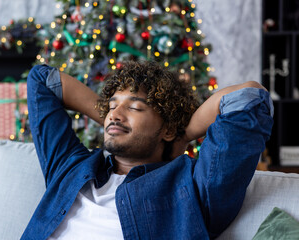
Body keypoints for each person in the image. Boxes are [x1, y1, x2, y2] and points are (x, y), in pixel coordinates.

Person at [22, 61, 273, 240]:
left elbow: (249, 97)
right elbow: (41, 80)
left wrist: (181, 135)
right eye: (111, 106)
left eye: (135, 108)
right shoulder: (70, 166)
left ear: (167, 130)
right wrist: (116, 120)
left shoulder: (192, 187)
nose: (114, 114)